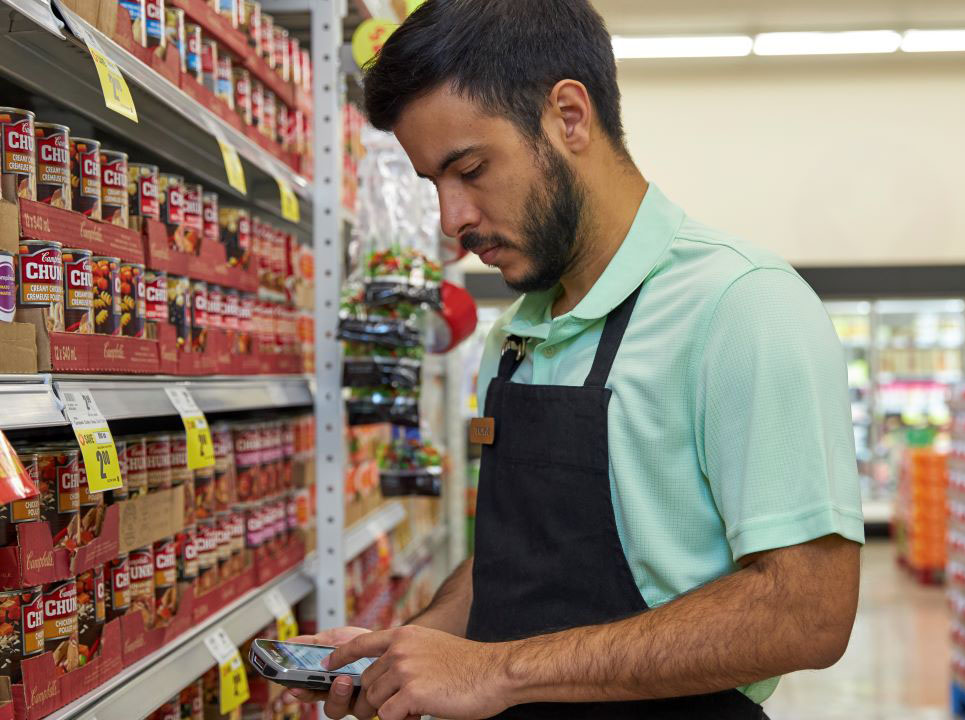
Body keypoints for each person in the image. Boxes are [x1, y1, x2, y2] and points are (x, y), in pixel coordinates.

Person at [283, 1, 864, 718]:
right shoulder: (518, 334)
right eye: (433, 184)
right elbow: (518, 562)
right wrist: (412, 646)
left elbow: (807, 612)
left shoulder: (742, 308)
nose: (451, 220)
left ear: (568, 115)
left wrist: (499, 671)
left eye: (470, 169)